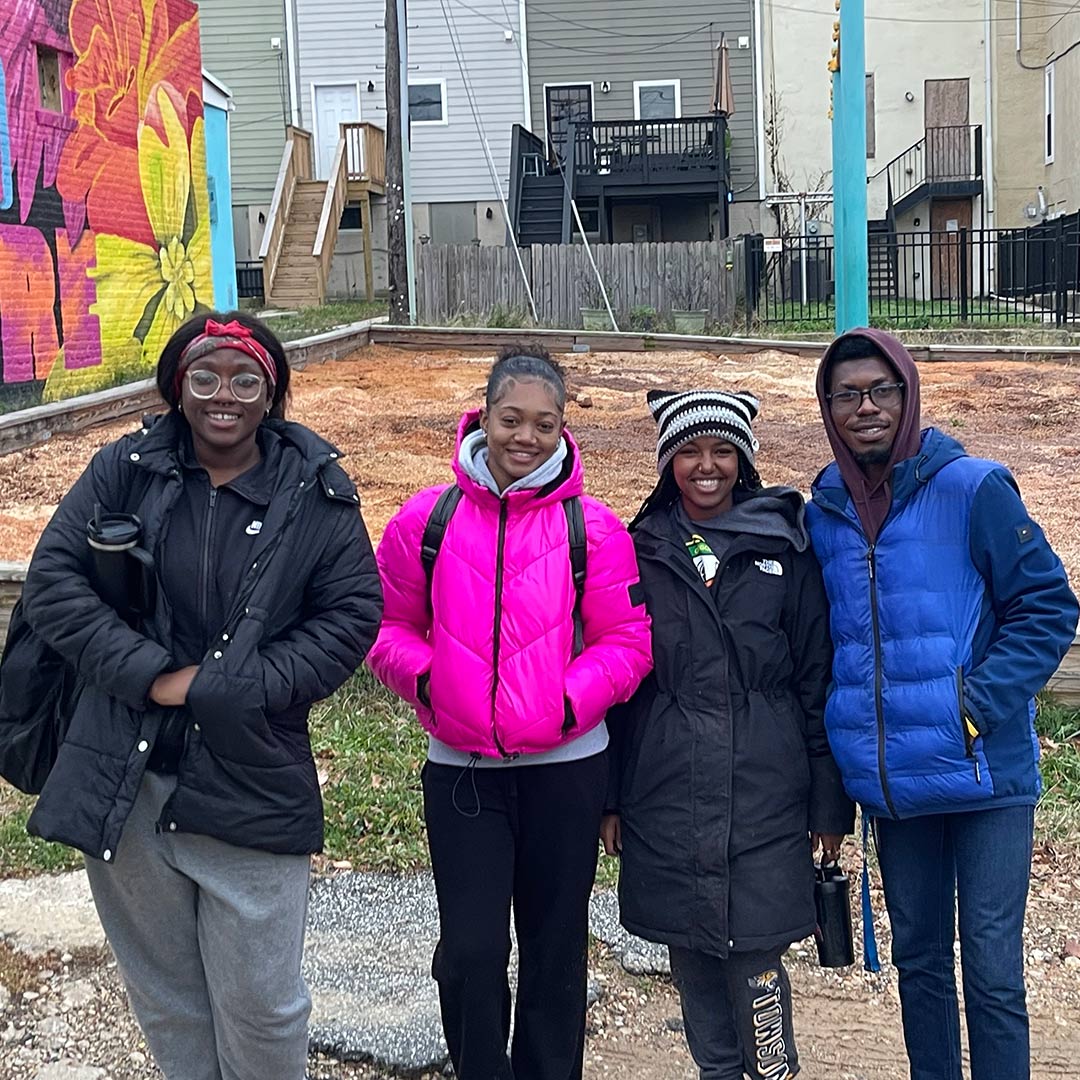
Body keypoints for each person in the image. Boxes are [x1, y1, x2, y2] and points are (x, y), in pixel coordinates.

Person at [16, 312, 383, 1080]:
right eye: (205, 377)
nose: (225, 395)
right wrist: (151, 675)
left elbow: (351, 615)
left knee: (263, 1006)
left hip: (250, 774)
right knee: (168, 997)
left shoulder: (315, 494)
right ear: (177, 388)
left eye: (247, 380)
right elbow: (52, 582)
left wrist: (232, 689)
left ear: (272, 393)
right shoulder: (124, 469)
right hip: (126, 774)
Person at [368, 346, 652, 1080]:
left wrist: (565, 702)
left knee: (555, 949)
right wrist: (431, 684)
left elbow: (627, 643)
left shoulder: (594, 529)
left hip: (567, 771)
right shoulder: (425, 521)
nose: (525, 437)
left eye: (544, 425)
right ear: (483, 417)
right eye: (510, 419)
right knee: (471, 951)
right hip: (462, 773)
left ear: (563, 428)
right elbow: (385, 627)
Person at [806, 327, 1078, 1080]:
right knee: (920, 961)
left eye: (880, 390)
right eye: (846, 395)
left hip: (985, 772)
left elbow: (1048, 608)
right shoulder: (825, 509)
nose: (865, 408)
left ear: (908, 394)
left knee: (992, 970)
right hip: (897, 785)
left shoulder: (974, 489)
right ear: (828, 408)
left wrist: (974, 706)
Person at [602, 388, 854, 1080]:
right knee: (691, 955)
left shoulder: (784, 547)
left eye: (722, 450)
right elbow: (621, 687)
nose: (706, 466)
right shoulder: (640, 550)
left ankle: (772, 1071)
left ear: (744, 460)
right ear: (667, 462)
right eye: (689, 451)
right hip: (667, 788)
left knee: (756, 962)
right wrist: (611, 798)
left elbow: (817, 679)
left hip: (766, 790)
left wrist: (829, 805)